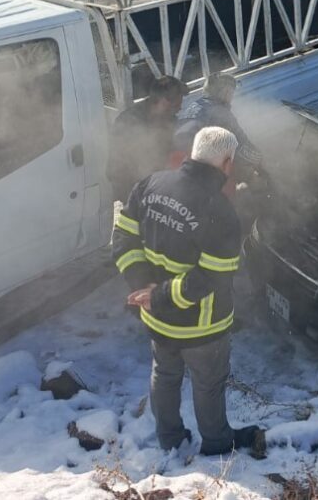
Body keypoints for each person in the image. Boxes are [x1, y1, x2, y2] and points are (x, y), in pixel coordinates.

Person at [111, 126, 265, 458]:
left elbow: (122, 239)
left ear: (194, 152)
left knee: (164, 375)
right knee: (208, 385)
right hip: (202, 327)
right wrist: (158, 296)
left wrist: (143, 287)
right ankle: (217, 442)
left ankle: (169, 438)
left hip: (156, 318)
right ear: (227, 162)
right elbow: (211, 278)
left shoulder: (150, 185)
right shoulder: (221, 212)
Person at [108, 75, 186, 202]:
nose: (180, 108)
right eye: (177, 105)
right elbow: (120, 164)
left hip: (157, 184)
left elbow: (172, 151)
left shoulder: (169, 119)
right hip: (131, 188)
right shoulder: (129, 121)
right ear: (164, 101)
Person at [171, 73, 261, 169]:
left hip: (176, 161)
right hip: (197, 164)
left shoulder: (194, 105)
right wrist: (260, 160)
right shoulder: (220, 113)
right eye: (232, 92)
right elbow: (241, 145)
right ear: (226, 92)